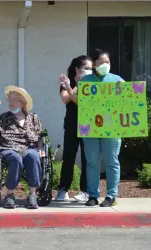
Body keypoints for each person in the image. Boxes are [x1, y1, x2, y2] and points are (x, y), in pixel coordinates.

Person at [79, 49, 124, 207]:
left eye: (107, 62)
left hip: (112, 127)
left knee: (111, 161)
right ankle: (93, 195)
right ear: (94, 64)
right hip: (90, 127)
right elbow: (80, 104)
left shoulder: (118, 81)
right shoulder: (85, 82)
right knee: (92, 162)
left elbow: (126, 103)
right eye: (101, 63)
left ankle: (111, 196)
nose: (105, 65)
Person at [0, 85, 45, 209]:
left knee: (33, 155)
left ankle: (32, 195)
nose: (11, 102)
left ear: (23, 103)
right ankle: (10, 195)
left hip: (28, 147)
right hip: (8, 148)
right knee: (16, 158)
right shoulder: (3, 117)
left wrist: (40, 149)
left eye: (15, 100)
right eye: (10, 99)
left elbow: (40, 136)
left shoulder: (33, 118)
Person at [56, 55, 92, 203]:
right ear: (77, 69)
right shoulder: (68, 82)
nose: (89, 71)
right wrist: (74, 85)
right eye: (86, 68)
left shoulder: (92, 83)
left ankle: (85, 191)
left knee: (87, 157)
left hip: (88, 124)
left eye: (91, 68)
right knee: (69, 156)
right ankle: (63, 189)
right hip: (72, 123)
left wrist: (83, 83)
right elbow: (65, 99)